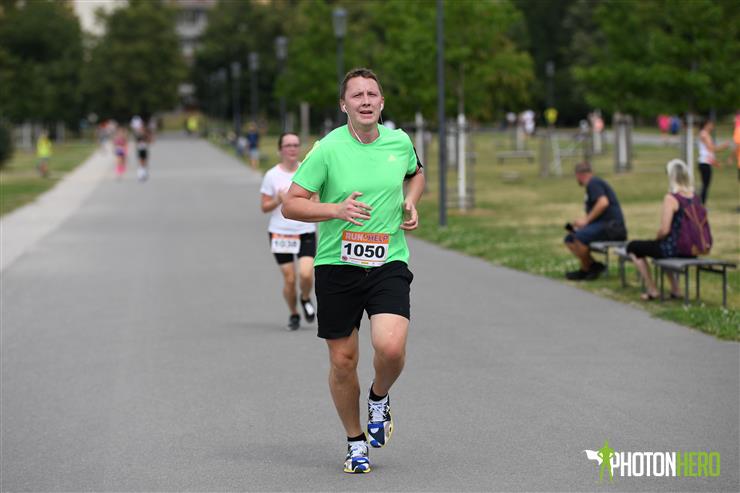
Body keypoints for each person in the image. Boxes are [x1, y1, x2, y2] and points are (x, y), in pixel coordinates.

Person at [282, 68, 425, 474]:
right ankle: (355, 441)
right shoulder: (327, 149)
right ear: (344, 105)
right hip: (337, 266)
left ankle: (379, 396)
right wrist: (335, 209)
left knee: (391, 347)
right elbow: (291, 204)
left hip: (387, 261)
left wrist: (410, 202)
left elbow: (416, 174)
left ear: (382, 102)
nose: (365, 101)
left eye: (371, 94)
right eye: (357, 95)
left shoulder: (399, 142)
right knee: (343, 361)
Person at [259, 132, 317, 331]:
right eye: (288, 145)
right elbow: (264, 207)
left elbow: (316, 200)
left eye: (295, 145)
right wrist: (278, 199)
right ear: (280, 150)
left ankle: (305, 297)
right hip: (280, 233)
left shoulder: (307, 171)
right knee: (290, 279)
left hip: (305, 230)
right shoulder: (271, 175)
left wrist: (308, 201)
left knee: (306, 274)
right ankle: (293, 313)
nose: (292, 149)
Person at [626, 160, 698, 300]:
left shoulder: (671, 198)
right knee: (658, 249)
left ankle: (652, 289)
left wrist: (657, 237)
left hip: (673, 249)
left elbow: (664, 230)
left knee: (633, 247)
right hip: (691, 250)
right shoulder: (695, 197)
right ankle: (675, 289)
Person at [564, 162, 627, 280]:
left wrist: (586, 221)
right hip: (602, 225)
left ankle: (585, 270)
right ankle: (593, 266)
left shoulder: (593, 182)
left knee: (579, 237)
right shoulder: (592, 185)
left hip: (612, 227)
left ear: (579, 175)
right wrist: (581, 223)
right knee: (570, 237)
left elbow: (603, 202)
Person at [697, 118, 729, 205]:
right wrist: (723, 146)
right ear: (706, 124)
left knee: (705, 185)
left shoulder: (705, 134)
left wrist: (714, 162)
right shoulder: (704, 134)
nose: (712, 126)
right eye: (711, 124)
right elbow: (711, 148)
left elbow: (708, 152)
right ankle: (701, 204)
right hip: (704, 163)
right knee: (705, 185)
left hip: (706, 162)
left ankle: (701, 204)